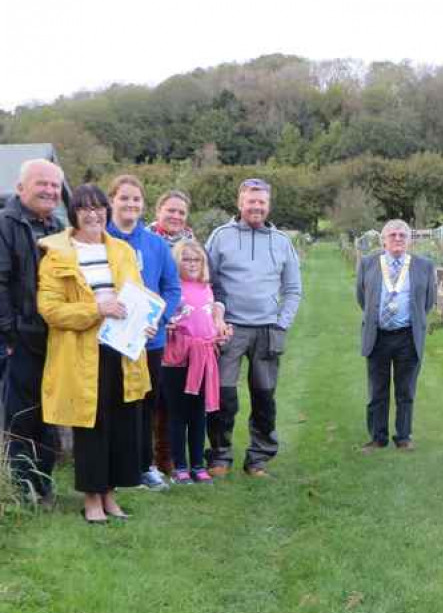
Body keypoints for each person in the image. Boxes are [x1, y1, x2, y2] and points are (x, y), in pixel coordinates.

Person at [37, 184, 152, 523]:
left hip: (122, 350)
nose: (93, 214)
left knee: (120, 423)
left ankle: (110, 496)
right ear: (73, 213)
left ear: (107, 211)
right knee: (92, 427)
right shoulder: (57, 253)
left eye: (99, 207)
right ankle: (91, 500)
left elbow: (136, 295)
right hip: (82, 354)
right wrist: (97, 309)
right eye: (85, 208)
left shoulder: (122, 250)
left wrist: (145, 322)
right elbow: (51, 309)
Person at [205, 178, 302, 478]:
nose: (256, 207)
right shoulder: (220, 237)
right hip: (230, 330)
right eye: (251, 201)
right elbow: (206, 283)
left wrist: (281, 323)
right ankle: (220, 456)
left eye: (261, 202)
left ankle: (258, 458)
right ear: (240, 203)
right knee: (223, 396)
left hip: (267, 331)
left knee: (264, 396)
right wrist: (215, 321)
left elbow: (293, 288)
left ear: (268, 205)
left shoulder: (282, 242)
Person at [107, 175, 181, 491]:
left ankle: (144, 465)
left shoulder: (155, 244)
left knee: (146, 403)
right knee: (114, 402)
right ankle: (114, 466)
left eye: (136, 199)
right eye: (124, 198)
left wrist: (159, 319)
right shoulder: (99, 241)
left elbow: (172, 287)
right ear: (112, 201)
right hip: (110, 339)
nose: (131, 204)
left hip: (151, 340)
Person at [0, 159, 65, 505]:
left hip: (54, 336)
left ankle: (44, 482)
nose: (50, 191)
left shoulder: (56, 226)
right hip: (19, 338)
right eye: (42, 183)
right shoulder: (5, 224)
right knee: (21, 414)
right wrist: (9, 335)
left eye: (55, 186)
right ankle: (21, 487)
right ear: (21, 187)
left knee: (49, 412)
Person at [356, 220, 437, 453]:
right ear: (383, 240)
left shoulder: (424, 265)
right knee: (377, 391)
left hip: (407, 336)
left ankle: (403, 437)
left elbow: (427, 302)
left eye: (402, 235)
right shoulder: (368, 263)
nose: (398, 239)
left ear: (409, 240)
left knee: (406, 390)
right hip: (378, 335)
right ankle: (377, 437)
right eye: (393, 235)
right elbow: (363, 298)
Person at [163, 241, 227, 484]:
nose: (191, 264)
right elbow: (164, 317)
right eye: (186, 259)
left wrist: (220, 331)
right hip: (177, 359)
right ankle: (180, 465)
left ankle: (198, 464)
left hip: (205, 357)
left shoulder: (206, 289)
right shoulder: (171, 288)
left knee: (198, 413)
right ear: (176, 262)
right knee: (178, 414)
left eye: (196, 260)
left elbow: (210, 321)